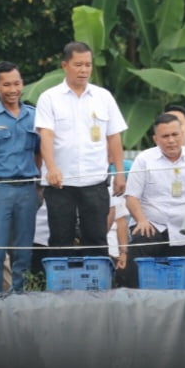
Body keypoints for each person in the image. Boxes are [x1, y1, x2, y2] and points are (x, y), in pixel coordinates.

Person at [35, 41, 126, 258]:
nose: (84, 70)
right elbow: (46, 135)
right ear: (65, 66)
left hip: (95, 181)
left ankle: (96, 279)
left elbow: (114, 136)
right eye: (78, 65)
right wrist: (51, 168)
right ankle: (60, 279)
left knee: (96, 239)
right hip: (60, 183)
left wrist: (120, 172)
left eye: (88, 65)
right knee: (60, 240)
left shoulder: (103, 97)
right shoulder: (49, 97)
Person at [0, 62, 40, 292]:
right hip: (0, 188)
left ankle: (19, 294)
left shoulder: (34, 115)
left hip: (28, 188)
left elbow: (40, 151)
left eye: (17, 83)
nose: (13, 89)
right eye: (6, 85)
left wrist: (39, 179)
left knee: (24, 248)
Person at [124, 113, 185, 286]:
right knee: (139, 242)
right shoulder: (144, 159)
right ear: (155, 139)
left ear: (182, 134)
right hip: (152, 225)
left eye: (175, 135)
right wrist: (141, 220)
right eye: (165, 136)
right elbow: (131, 197)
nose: (171, 140)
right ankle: (132, 294)